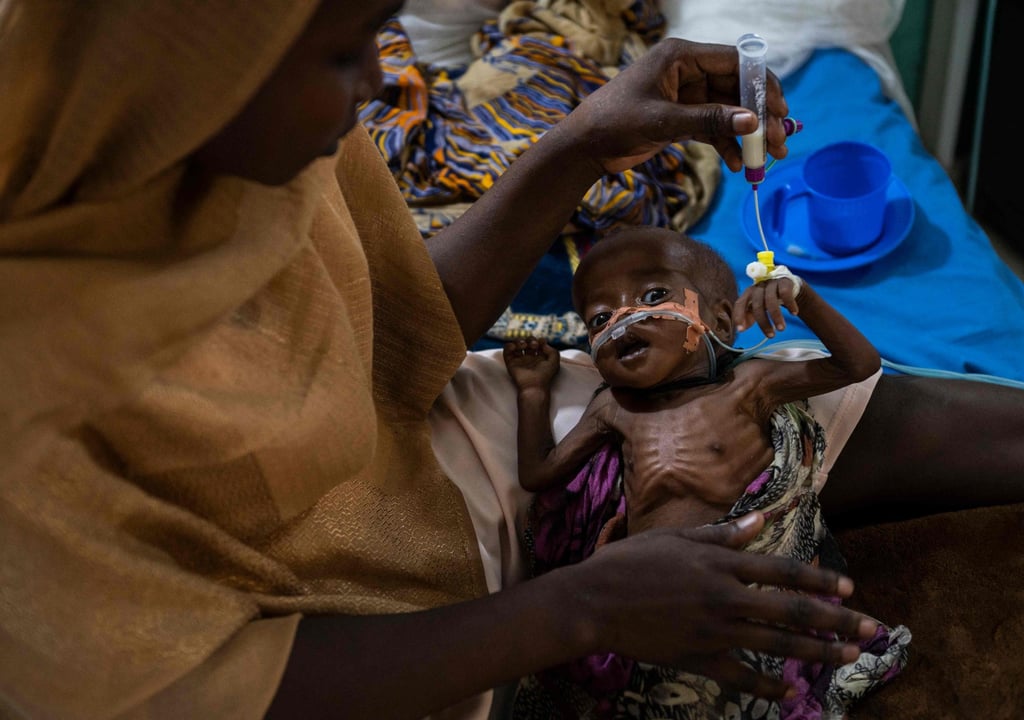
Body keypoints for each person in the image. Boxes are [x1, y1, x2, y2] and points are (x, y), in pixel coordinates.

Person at [1, 2, 1022, 720]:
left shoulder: (270, 144)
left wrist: (581, 145)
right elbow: (198, 693)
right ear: (189, 81)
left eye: (379, 35)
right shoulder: (31, 416)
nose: (374, 85)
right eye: (345, 53)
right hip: (348, 655)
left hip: (425, 445)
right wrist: (574, 610)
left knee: (823, 410)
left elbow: (403, 328)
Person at [503, 227, 910, 718]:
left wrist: (800, 295)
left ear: (717, 321)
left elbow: (858, 364)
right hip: (650, 597)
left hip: (740, 585)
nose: (623, 320)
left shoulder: (748, 387)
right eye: (599, 318)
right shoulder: (614, 408)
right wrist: (532, 392)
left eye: (654, 296)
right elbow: (539, 473)